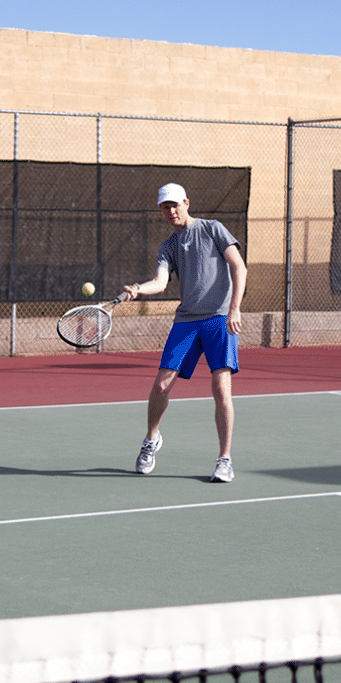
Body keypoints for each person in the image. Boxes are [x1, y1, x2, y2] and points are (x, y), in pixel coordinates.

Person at [120, 183, 248, 482]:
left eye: (175, 204)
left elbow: (239, 267)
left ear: (187, 203)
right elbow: (160, 282)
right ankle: (152, 439)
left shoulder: (213, 229)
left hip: (219, 318)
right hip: (187, 321)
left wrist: (235, 308)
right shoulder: (168, 246)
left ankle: (224, 459)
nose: (171, 211)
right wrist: (138, 289)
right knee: (162, 385)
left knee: (220, 388)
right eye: (165, 207)